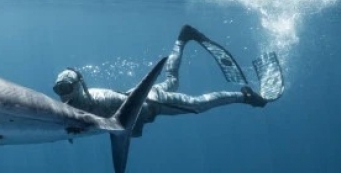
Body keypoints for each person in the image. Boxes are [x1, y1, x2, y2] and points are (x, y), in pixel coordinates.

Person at [53, 25, 282, 137]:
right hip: (141, 93)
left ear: (78, 85)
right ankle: (182, 39)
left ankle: (244, 96)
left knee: (197, 105)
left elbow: (137, 109)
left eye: (66, 88)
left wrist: (135, 128)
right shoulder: (77, 104)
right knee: (172, 79)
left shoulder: (100, 99)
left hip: (154, 103)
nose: (62, 94)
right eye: (58, 90)